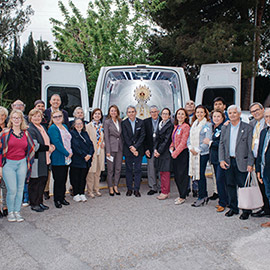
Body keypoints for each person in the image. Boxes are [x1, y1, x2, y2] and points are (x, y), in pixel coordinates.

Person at [219, 105, 254, 220]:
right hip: (229, 161)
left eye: (234, 113)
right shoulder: (225, 128)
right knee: (230, 185)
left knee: (243, 186)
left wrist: (250, 163)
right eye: (230, 113)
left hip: (242, 162)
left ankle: (246, 210)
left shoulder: (247, 128)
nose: (232, 115)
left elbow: (250, 148)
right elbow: (222, 144)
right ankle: (233, 208)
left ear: (239, 114)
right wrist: (221, 160)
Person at [0, 109, 35, 222]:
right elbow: (0, 151)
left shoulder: (26, 133)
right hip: (8, 164)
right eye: (14, 118)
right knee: (12, 189)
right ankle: (10, 212)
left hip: (22, 163)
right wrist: (0, 166)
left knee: (20, 189)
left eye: (18, 118)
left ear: (21, 120)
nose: (16, 120)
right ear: (10, 119)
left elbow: (31, 148)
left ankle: (17, 211)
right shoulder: (4, 133)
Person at [27, 109, 55, 212]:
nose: (37, 118)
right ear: (30, 117)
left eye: (39, 116)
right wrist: (48, 148)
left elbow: (46, 140)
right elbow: (35, 146)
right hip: (36, 160)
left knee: (42, 181)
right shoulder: (30, 129)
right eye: (34, 116)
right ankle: (34, 204)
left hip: (44, 159)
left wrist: (51, 145)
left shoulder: (42, 127)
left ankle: (40, 202)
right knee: (35, 183)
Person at [187, 105, 212, 207]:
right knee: (197, 175)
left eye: (202, 112)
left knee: (200, 175)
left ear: (205, 113)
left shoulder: (207, 125)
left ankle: (202, 196)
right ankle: (203, 195)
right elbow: (189, 138)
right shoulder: (194, 124)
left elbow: (207, 140)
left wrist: (197, 149)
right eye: (198, 112)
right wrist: (190, 147)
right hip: (193, 153)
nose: (199, 114)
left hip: (202, 153)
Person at [249, 102, 270, 218]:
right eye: (253, 111)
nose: (255, 113)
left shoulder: (267, 125)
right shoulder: (252, 124)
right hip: (258, 158)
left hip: (267, 160)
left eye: (257, 110)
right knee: (262, 185)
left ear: (262, 110)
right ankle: (266, 208)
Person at [48, 110, 72, 208]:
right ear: (52, 118)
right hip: (58, 157)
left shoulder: (65, 127)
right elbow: (57, 143)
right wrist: (67, 153)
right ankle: (57, 199)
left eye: (59, 116)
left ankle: (62, 197)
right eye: (55, 117)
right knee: (58, 179)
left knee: (64, 179)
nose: (58, 118)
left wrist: (69, 153)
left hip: (66, 158)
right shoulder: (52, 128)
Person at [204, 109, 228, 212]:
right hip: (214, 158)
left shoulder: (224, 128)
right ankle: (224, 201)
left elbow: (222, 144)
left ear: (223, 118)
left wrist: (210, 142)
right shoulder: (215, 128)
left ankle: (223, 202)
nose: (216, 118)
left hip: (221, 159)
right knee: (219, 181)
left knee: (220, 181)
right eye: (214, 116)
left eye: (218, 116)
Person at [122, 105, 145, 197]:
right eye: (129, 112)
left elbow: (142, 136)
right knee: (128, 170)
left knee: (138, 170)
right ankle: (129, 189)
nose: (131, 113)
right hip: (128, 150)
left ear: (136, 112)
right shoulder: (124, 123)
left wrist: (135, 147)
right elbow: (125, 137)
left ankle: (136, 189)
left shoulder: (141, 122)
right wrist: (132, 148)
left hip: (138, 150)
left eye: (132, 111)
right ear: (127, 113)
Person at [70, 118, 94, 202]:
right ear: (74, 125)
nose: (79, 125)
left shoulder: (85, 133)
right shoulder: (72, 134)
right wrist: (84, 155)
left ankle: (81, 193)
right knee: (75, 177)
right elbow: (75, 147)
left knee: (83, 177)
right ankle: (76, 194)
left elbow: (91, 145)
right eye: (77, 124)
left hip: (86, 160)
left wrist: (90, 154)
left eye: (80, 123)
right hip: (77, 159)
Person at [170, 108, 190, 204]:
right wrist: (171, 147)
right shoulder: (177, 126)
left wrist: (175, 153)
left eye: (182, 114)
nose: (180, 116)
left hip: (181, 154)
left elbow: (183, 142)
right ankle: (181, 194)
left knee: (182, 175)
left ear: (186, 116)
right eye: (178, 114)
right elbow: (173, 139)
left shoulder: (186, 127)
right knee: (177, 175)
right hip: (175, 153)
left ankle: (182, 196)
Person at [154, 108, 173, 200]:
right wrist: (155, 149)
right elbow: (157, 138)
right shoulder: (160, 123)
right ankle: (165, 190)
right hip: (159, 151)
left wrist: (159, 151)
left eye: (166, 114)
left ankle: (165, 192)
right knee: (161, 172)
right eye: (163, 113)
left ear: (169, 116)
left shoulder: (170, 125)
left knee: (165, 173)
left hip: (165, 152)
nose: (164, 115)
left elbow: (166, 140)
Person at [104, 105, 123, 196]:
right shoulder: (107, 122)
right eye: (111, 111)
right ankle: (110, 187)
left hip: (119, 148)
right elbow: (106, 137)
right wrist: (107, 151)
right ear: (109, 112)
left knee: (118, 168)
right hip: (111, 148)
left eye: (115, 111)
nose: (113, 112)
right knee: (110, 169)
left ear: (117, 112)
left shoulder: (120, 121)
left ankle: (116, 185)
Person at [86, 108, 105, 198]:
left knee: (98, 172)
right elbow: (87, 140)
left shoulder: (101, 126)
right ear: (92, 115)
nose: (97, 115)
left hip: (100, 151)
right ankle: (90, 191)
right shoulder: (88, 126)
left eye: (99, 114)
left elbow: (102, 138)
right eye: (95, 114)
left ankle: (96, 189)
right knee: (91, 172)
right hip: (92, 152)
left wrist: (103, 142)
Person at [256, 108, 270, 227]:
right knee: (268, 194)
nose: (268, 119)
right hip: (265, 170)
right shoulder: (264, 132)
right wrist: (258, 170)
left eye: (269, 116)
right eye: (266, 117)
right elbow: (260, 152)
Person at [34, 99, 51, 200]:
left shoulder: (46, 120)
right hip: (38, 153)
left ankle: (43, 194)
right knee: (36, 178)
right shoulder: (31, 124)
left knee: (45, 175)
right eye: (38, 106)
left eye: (42, 106)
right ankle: (34, 200)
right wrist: (48, 147)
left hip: (46, 153)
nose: (41, 108)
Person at [144, 105, 161, 195]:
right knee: (151, 169)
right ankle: (153, 187)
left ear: (158, 112)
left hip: (160, 149)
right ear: (149, 113)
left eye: (155, 111)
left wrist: (160, 149)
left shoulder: (163, 120)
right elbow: (144, 137)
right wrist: (146, 149)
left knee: (161, 168)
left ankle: (162, 187)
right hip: (150, 149)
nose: (153, 114)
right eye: (152, 112)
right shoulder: (146, 122)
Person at [0, 106, 8, 217]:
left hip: (8, 161)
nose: (1, 117)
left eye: (3, 115)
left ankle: (6, 206)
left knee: (6, 186)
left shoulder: (8, 128)